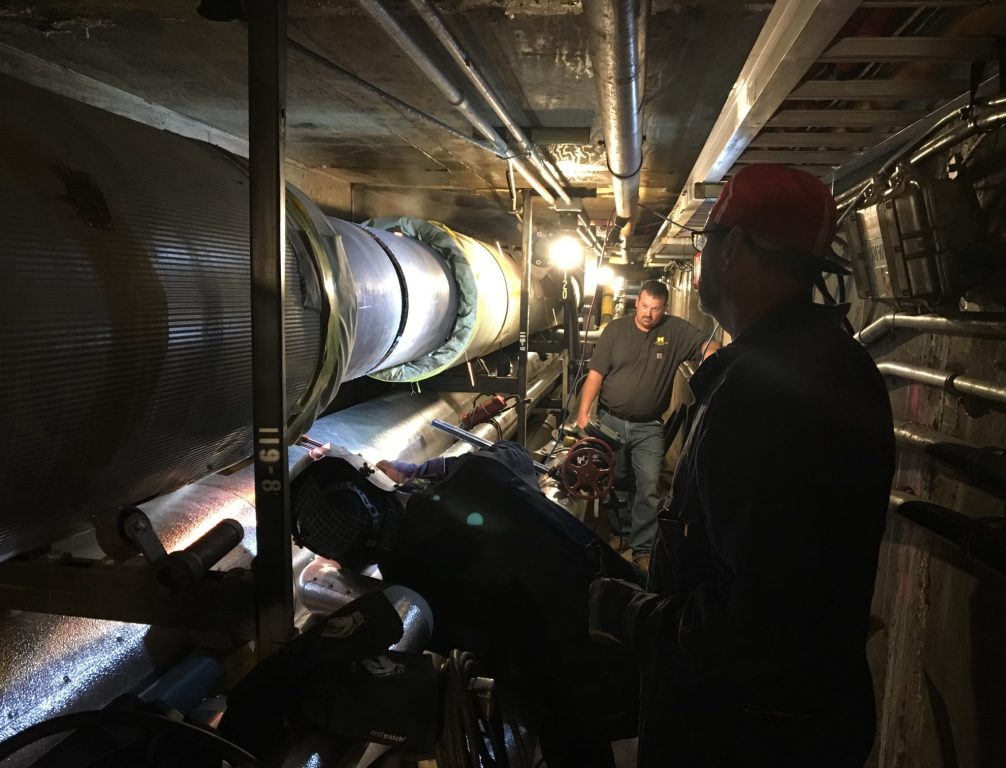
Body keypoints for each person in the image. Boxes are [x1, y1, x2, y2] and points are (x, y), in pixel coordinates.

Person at [588, 164, 896, 767]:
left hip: (743, 731)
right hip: (799, 717)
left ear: (733, 249)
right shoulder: (828, 363)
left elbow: (752, 625)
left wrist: (630, 614)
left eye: (706, 242)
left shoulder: (766, 395)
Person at [291, 440, 642, 768]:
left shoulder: (406, 594)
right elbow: (512, 452)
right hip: (638, 630)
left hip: (570, 708)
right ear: (374, 481)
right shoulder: (476, 477)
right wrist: (418, 470)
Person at [576, 279, 716, 570]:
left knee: (649, 486)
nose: (648, 313)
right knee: (615, 482)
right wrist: (583, 413)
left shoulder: (675, 331)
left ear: (664, 308)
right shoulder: (615, 331)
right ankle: (620, 533)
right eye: (643, 306)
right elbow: (596, 374)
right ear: (636, 302)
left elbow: (710, 346)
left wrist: (712, 370)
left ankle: (642, 548)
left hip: (649, 426)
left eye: (655, 309)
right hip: (611, 421)